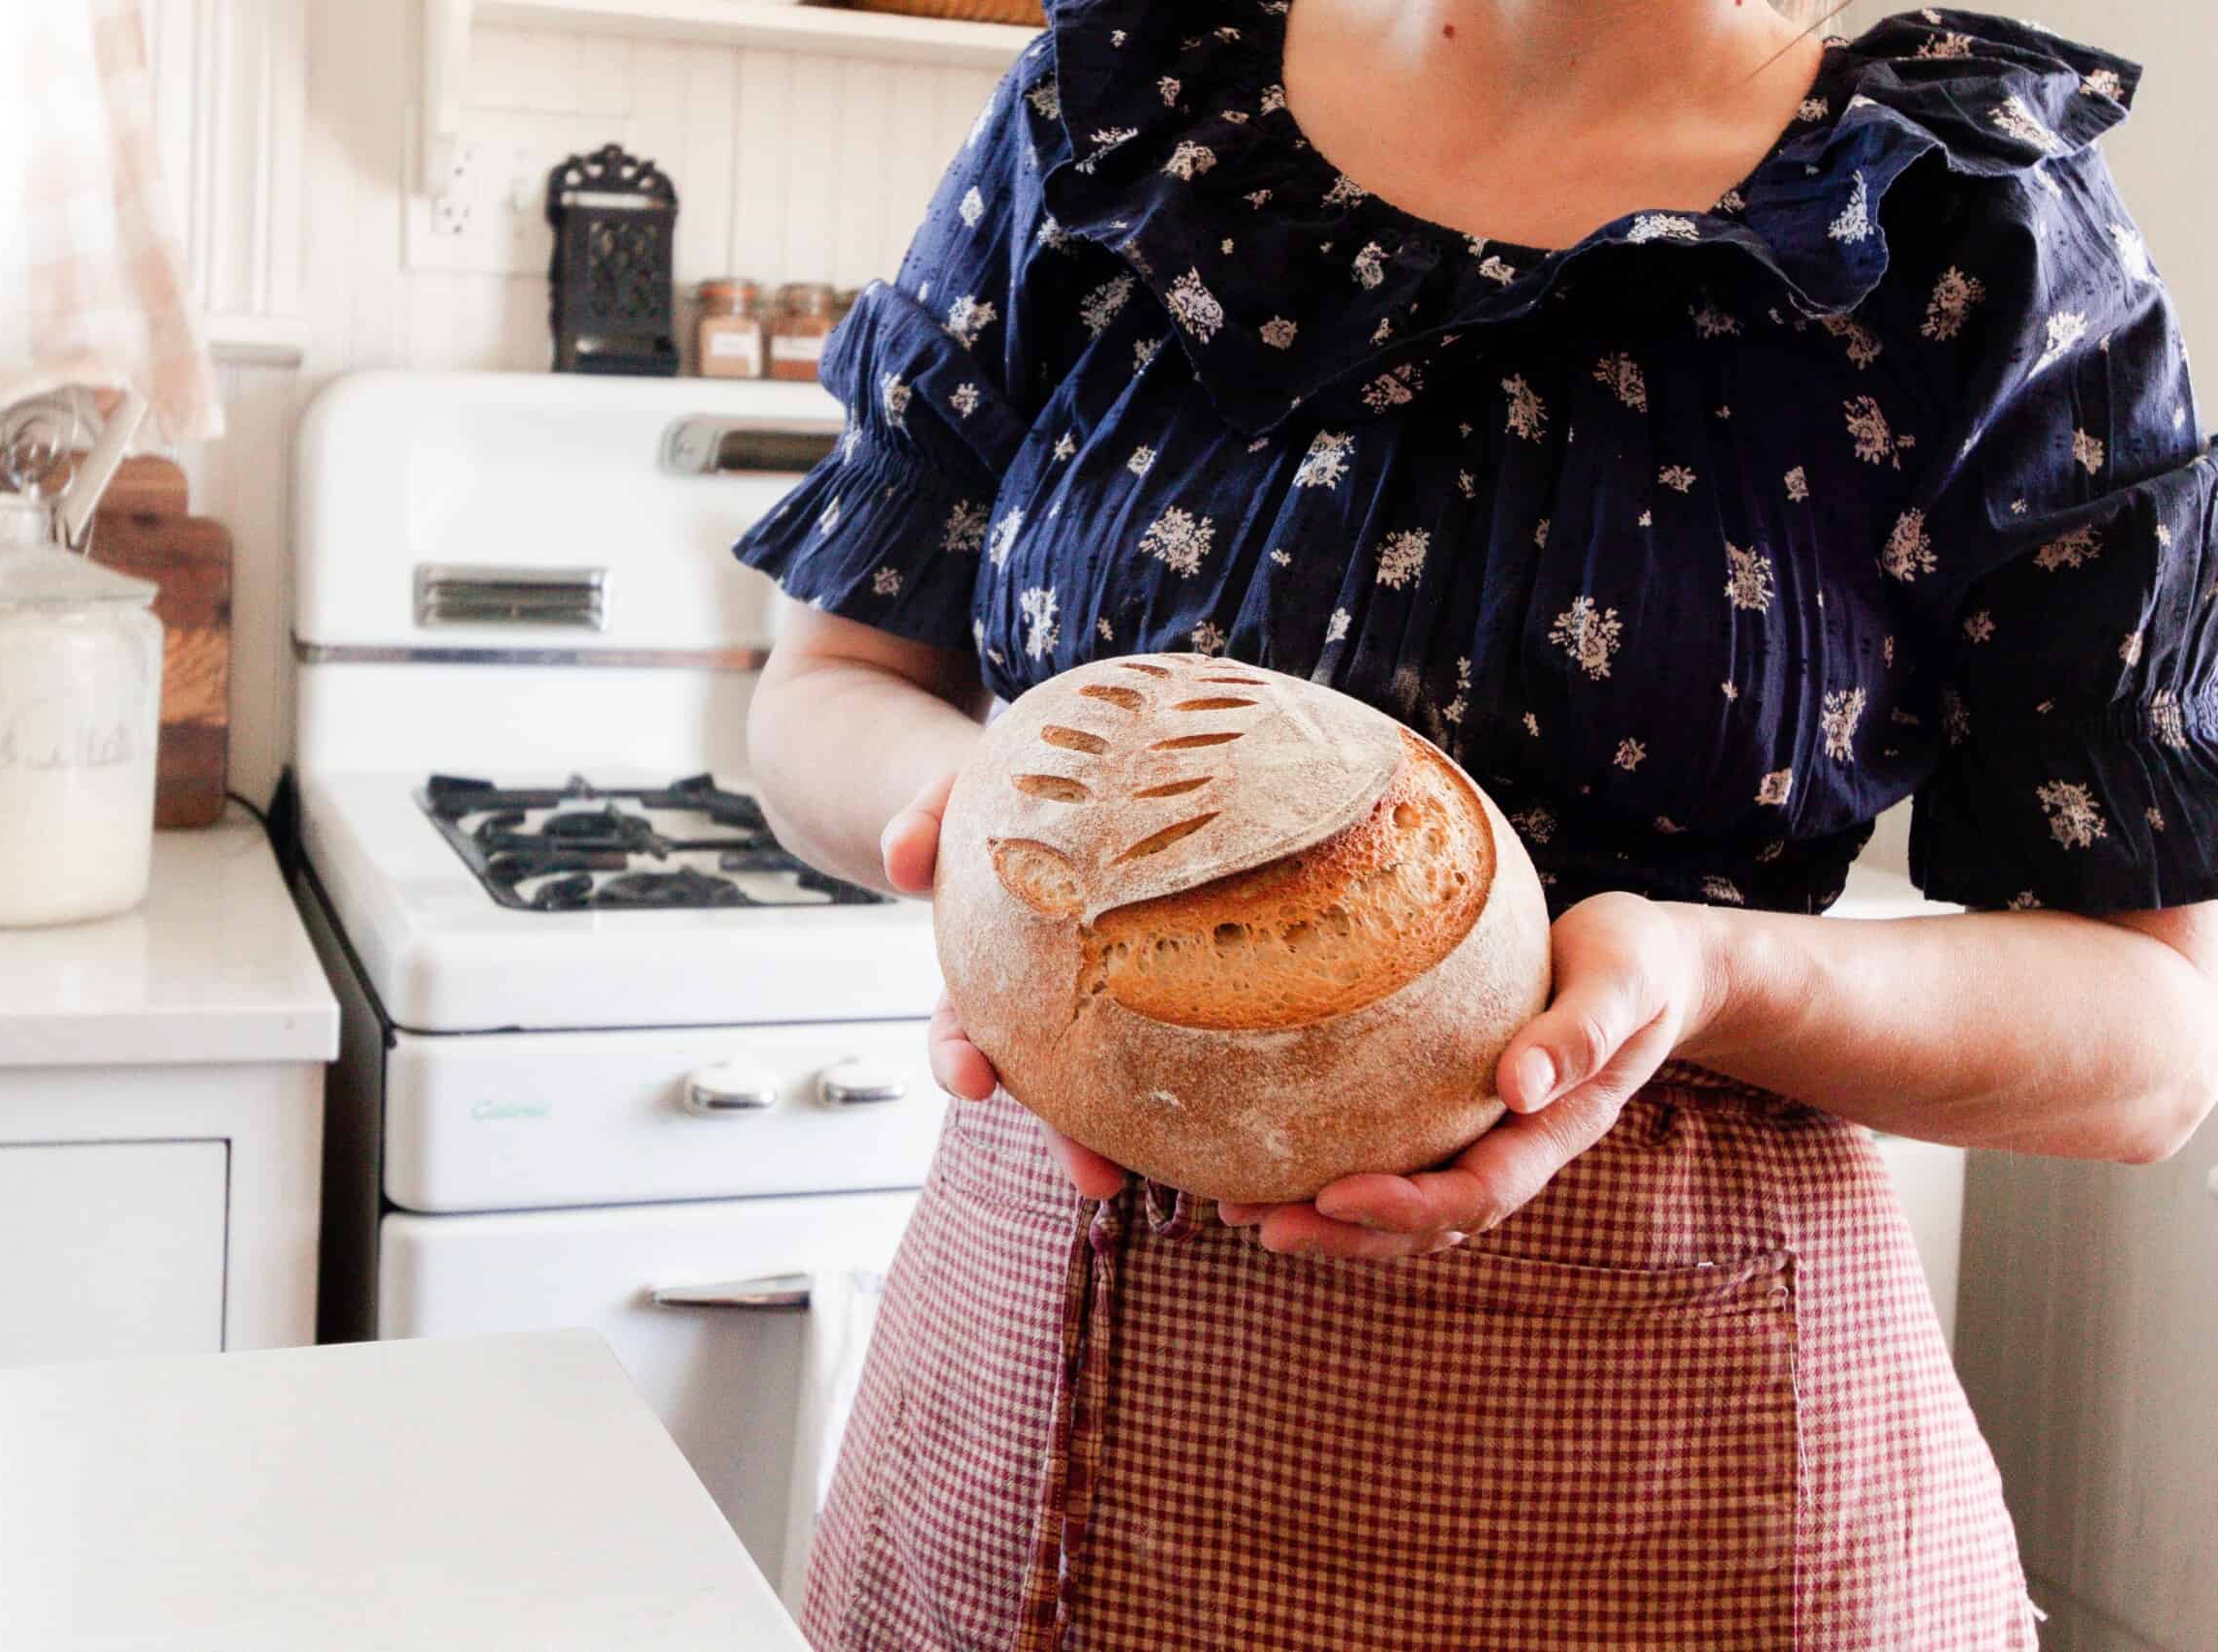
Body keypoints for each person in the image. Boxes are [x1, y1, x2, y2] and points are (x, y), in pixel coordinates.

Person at [733, 3, 2218, 1645]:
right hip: (1031, 1443)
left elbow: (2150, 1042)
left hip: (1669, 1485)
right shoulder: (1128, 113)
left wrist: (1710, 978)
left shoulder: (1963, 225)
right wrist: (993, 851)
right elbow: (827, 689)